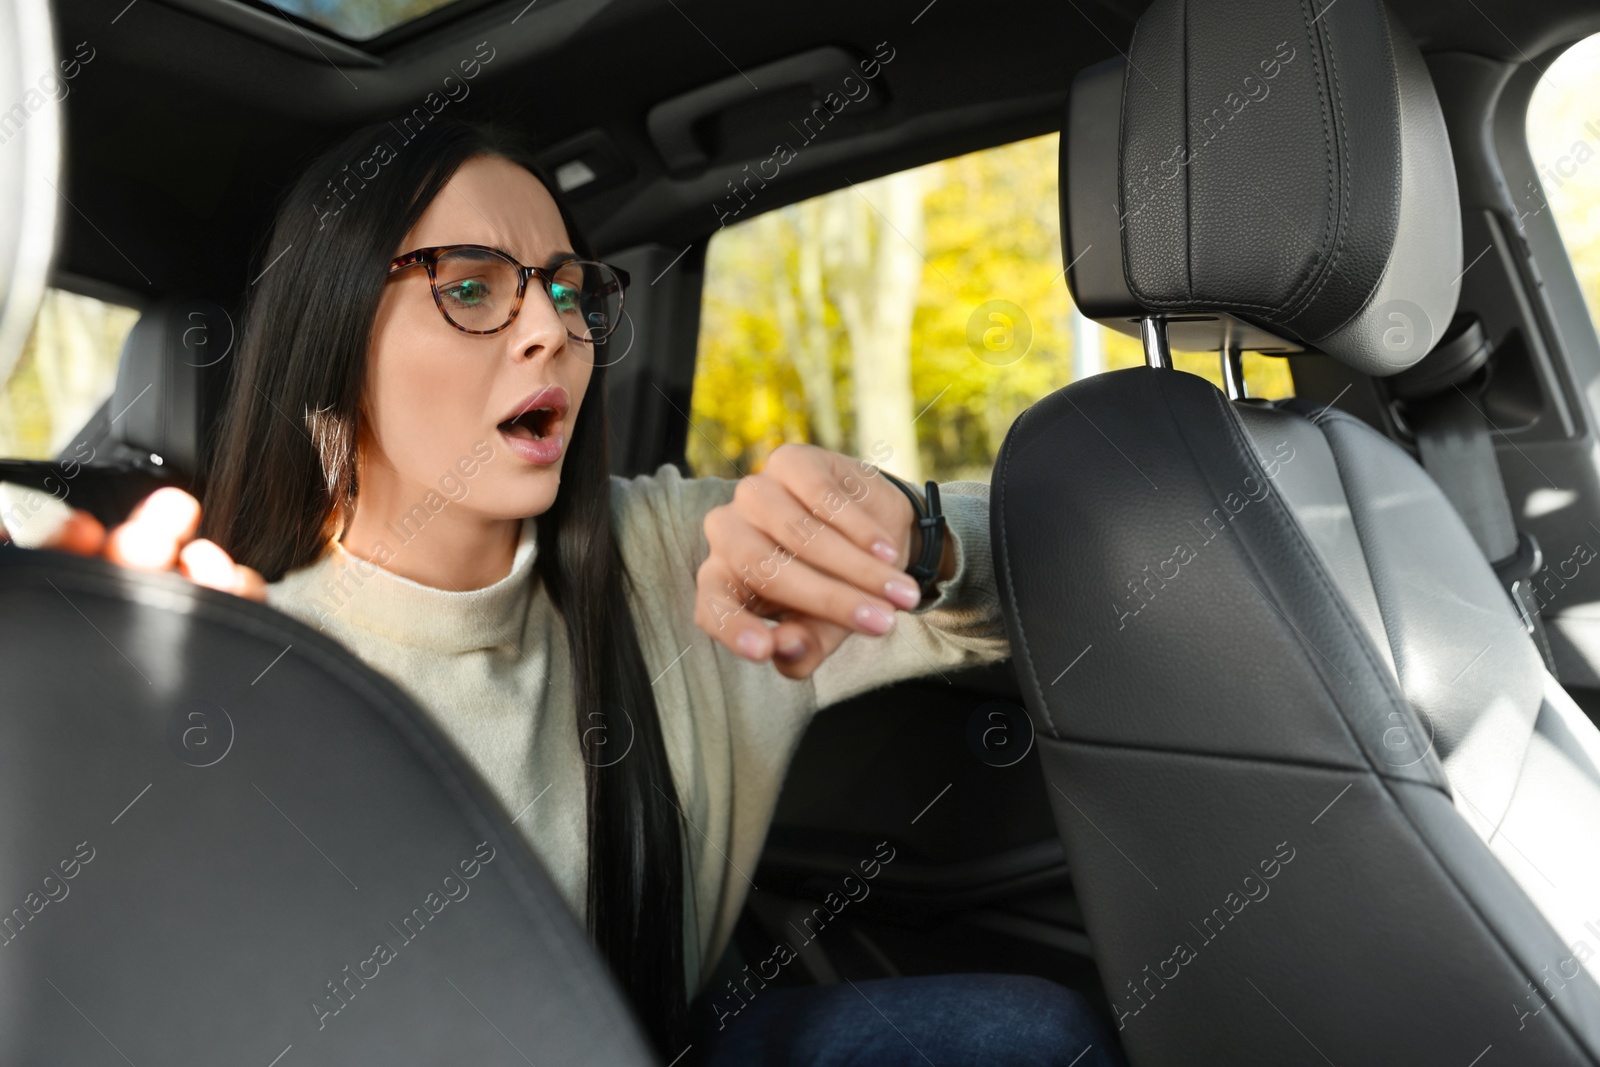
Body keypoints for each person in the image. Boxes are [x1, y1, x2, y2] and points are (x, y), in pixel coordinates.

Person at [17, 117, 1124, 1067]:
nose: (552, 327)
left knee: (1027, 1030)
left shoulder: (684, 556)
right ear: (332, 348)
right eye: (470, 288)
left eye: (565, 287)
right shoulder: (246, 665)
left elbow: (1074, 563)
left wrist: (918, 535)